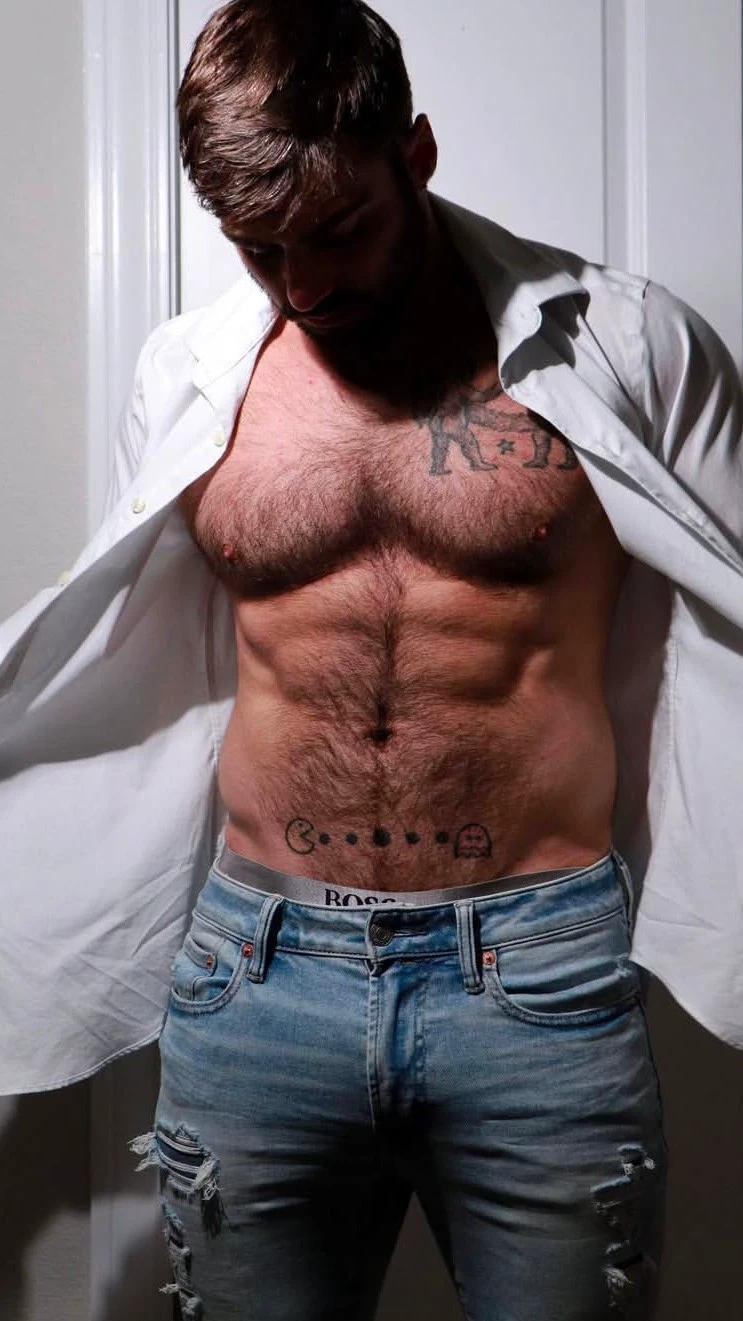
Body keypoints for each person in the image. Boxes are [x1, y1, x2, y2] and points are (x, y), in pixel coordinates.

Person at [2, 0, 743, 1316]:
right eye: (260, 249)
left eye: (339, 230)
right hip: (256, 970)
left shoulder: (628, 347)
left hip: (539, 972)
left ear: (419, 153)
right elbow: (137, 650)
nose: (303, 287)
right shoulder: (190, 378)